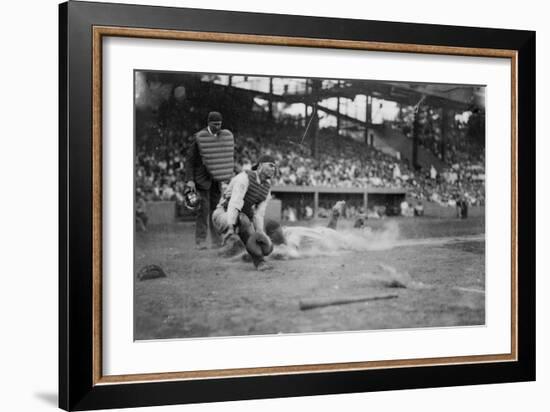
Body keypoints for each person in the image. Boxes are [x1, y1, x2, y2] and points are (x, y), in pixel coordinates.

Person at [212, 154, 277, 270]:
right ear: (261, 165)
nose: (273, 169)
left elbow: (259, 214)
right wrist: (231, 227)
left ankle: (252, 257)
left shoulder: (267, 188)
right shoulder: (244, 178)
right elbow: (234, 204)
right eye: (270, 165)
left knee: (258, 239)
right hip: (223, 214)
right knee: (243, 220)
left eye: (275, 167)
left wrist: (260, 233)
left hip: (242, 218)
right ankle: (235, 245)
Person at [185, 111, 234, 249]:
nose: (218, 127)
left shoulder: (222, 137)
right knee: (203, 211)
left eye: (219, 124)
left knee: (216, 212)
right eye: (215, 124)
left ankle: (216, 241)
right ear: (209, 123)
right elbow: (189, 160)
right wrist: (190, 180)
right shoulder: (199, 138)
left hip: (215, 181)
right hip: (201, 180)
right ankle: (200, 241)